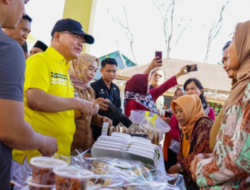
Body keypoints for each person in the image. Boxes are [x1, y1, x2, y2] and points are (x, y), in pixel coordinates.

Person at [12, 18, 97, 173]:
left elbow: (62, 113)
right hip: (34, 157)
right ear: (57, 36)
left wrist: (86, 108)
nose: (81, 43)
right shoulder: (40, 60)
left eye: (82, 40)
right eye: (76, 37)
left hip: (55, 158)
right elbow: (35, 99)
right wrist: (77, 102)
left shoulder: (64, 69)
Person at [0, 0, 57, 189]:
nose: (24, 10)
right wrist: (44, 141)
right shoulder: (8, 49)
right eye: (24, 1)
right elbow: (11, 131)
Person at [190, 20, 250, 190]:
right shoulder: (241, 88)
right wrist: (205, 157)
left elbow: (242, 159)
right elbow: (232, 146)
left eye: (235, 39)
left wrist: (201, 168)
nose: (230, 46)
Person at [69, 53, 112, 155]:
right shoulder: (68, 86)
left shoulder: (90, 90)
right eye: (90, 68)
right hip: (70, 144)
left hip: (86, 146)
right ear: (78, 66)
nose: (92, 74)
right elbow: (65, 114)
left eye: (95, 70)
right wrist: (88, 106)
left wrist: (101, 119)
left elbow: (91, 117)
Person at [168, 95, 213, 189]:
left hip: (201, 180)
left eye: (181, 111)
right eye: (176, 112)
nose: (178, 115)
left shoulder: (204, 124)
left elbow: (199, 153)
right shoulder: (185, 126)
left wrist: (179, 167)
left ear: (190, 108)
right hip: (186, 176)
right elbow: (181, 152)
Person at [209, 41, 237, 151]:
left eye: (227, 58)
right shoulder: (235, 88)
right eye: (223, 61)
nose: (224, 65)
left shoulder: (244, 90)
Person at [91, 58, 121, 141]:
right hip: (97, 128)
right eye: (108, 71)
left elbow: (118, 108)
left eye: (114, 71)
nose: (111, 74)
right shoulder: (93, 87)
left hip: (112, 130)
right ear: (101, 70)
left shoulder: (116, 88)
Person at [163, 87, 185, 170]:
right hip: (169, 146)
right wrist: (163, 121)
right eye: (176, 95)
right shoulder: (168, 112)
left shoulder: (187, 112)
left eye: (181, 95)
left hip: (181, 148)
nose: (178, 97)